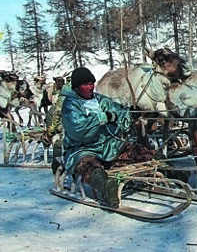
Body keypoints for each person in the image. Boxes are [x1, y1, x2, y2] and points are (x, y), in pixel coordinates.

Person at [61, 66, 155, 208]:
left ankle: (167, 170)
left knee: (139, 151)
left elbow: (118, 113)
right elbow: (78, 128)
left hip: (109, 145)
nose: (90, 87)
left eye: (91, 83)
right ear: (76, 87)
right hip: (82, 149)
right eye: (85, 84)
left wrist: (130, 114)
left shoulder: (101, 100)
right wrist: (103, 118)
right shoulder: (70, 105)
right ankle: (107, 188)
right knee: (89, 167)